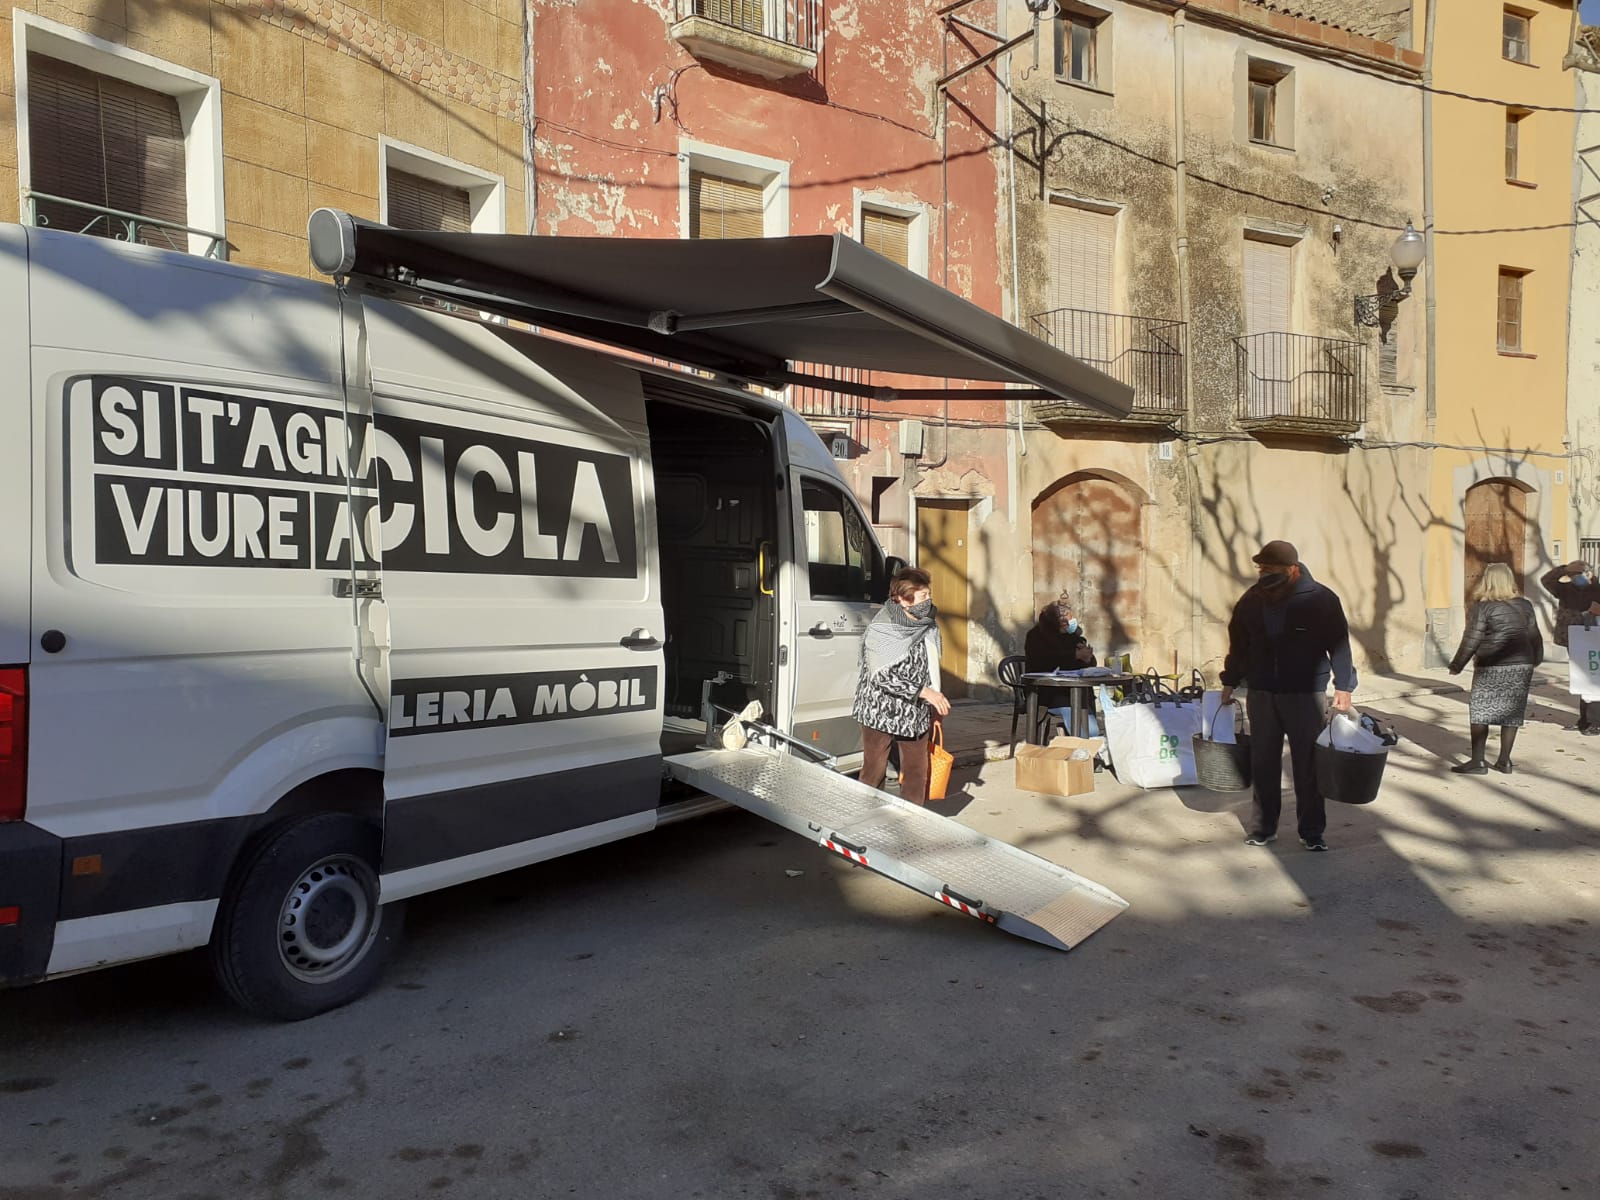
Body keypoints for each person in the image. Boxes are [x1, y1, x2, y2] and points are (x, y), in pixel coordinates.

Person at [1217, 540, 1357, 852]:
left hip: (1305, 694)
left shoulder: (1321, 599)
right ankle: (1263, 828)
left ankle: (1311, 831)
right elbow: (1238, 645)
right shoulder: (1251, 601)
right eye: (1261, 569)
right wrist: (1230, 680)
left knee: (1307, 764)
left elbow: (1339, 646)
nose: (1264, 574)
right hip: (1263, 692)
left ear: (1292, 570)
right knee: (1263, 760)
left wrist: (1344, 685)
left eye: (1271, 569)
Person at [853, 566, 950, 805]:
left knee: (917, 772)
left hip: (915, 711)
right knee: (874, 771)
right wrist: (923, 691)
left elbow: (929, 665)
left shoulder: (927, 623)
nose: (928, 601)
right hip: (879, 709)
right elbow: (881, 675)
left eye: (928, 594)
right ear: (903, 600)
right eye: (923, 596)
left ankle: (913, 822)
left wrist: (934, 699)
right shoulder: (882, 628)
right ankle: (864, 820)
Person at [1446, 563, 1542, 774]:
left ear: (1487, 580)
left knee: (1481, 710)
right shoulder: (1525, 605)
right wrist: (1536, 658)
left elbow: (1472, 639)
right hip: (1521, 664)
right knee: (1512, 711)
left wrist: (1457, 665)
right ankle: (1504, 760)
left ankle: (1478, 762)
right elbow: (1534, 635)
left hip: (1492, 665)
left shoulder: (1483, 607)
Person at [1539, 559, 1600, 734]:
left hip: (1595, 640)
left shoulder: (1598, 589)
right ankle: (1584, 720)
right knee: (1582, 680)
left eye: (1578, 575)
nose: (1575, 578)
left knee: (1594, 679)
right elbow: (1546, 581)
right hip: (1574, 639)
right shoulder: (1566, 590)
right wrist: (1565, 569)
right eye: (1572, 576)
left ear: (1589, 574)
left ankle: (1594, 721)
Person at [1024, 595, 1099, 737]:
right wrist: (1074, 655)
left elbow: (1089, 663)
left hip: (1075, 689)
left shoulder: (1073, 637)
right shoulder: (1036, 636)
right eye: (1067, 620)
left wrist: (1087, 658)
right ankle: (1086, 745)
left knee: (1084, 699)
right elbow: (1043, 661)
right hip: (1048, 691)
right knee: (1071, 706)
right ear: (1058, 621)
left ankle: (1091, 743)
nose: (1071, 622)